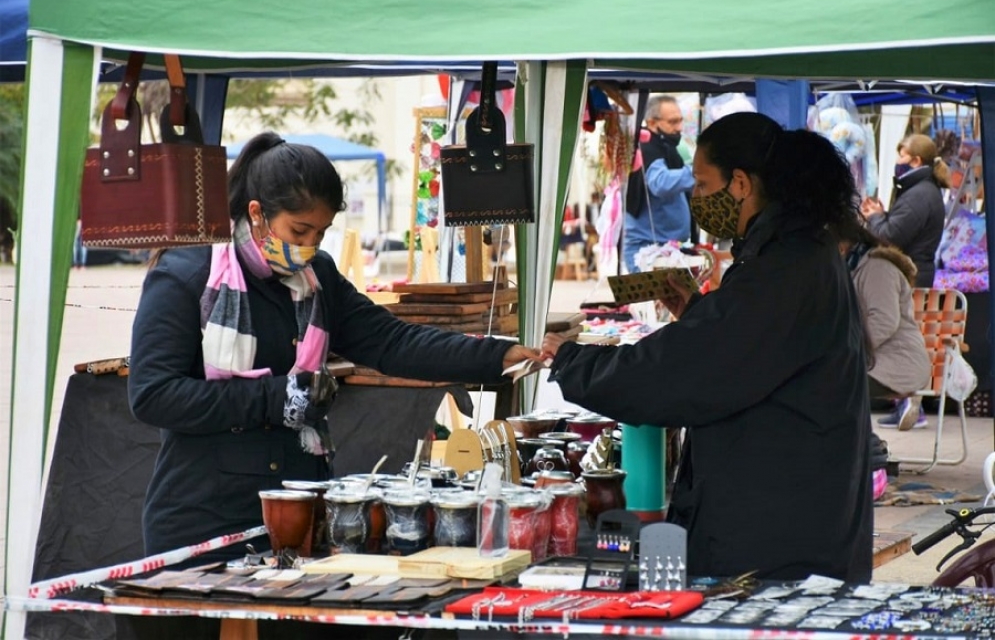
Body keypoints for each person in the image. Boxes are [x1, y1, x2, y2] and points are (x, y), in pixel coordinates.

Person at [129, 132, 539, 566]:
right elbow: (152, 395)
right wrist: (275, 398)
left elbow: (391, 341)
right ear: (257, 213)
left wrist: (495, 356)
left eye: (320, 233)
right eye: (299, 230)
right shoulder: (187, 275)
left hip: (300, 514)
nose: (309, 247)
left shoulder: (317, 277)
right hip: (203, 521)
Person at [542, 112, 873, 583]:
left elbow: (683, 370)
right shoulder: (792, 250)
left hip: (779, 532)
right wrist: (697, 310)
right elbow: (741, 348)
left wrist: (571, 358)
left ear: (740, 183)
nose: (695, 197)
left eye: (701, 183)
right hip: (791, 510)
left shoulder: (785, 266)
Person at [838, 219, 932, 431]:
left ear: (842, 245)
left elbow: (884, 320)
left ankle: (862, 449)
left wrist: (846, 350)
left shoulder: (877, 269)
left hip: (897, 364)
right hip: (880, 362)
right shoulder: (858, 267)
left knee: (831, 383)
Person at [860, 133, 950, 287]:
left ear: (916, 161)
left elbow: (890, 238)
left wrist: (875, 217)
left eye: (901, 156)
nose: (897, 161)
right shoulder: (922, 190)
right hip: (913, 275)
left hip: (910, 278)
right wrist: (882, 215)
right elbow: (903, 227)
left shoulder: (918, 195)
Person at [623, 95, 696, 272]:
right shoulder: (646, 148)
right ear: (652, 123)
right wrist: (698, 173)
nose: (679, 128)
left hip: (666, 248)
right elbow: (660, 183)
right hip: (647, 250)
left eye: (680, 121)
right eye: (672, 122)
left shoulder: (668, 149)